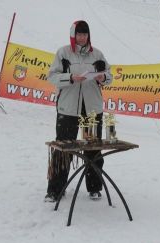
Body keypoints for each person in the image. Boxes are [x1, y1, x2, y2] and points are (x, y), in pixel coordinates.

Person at [45, 20, 113, 202]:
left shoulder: (97, 54)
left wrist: (102, 76)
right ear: (73, 35)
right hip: (68, 109)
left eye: (85, 34)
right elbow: (51, 77)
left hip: (92, 109)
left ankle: (94, 187)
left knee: (93, 148)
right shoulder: (63, 52)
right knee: (63, 148)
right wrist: (70, 78)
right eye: (79, 34)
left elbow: (109, 76)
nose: (82, 37)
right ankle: (55, 190)